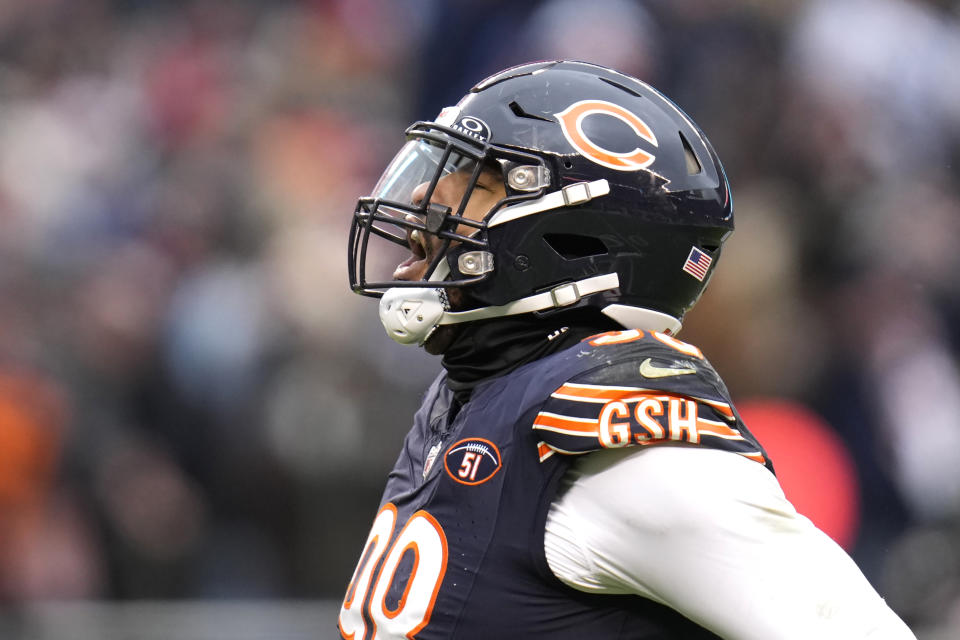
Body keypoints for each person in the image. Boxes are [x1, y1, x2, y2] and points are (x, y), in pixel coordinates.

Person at [339, 60, 916, 639]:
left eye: (479, 179)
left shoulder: (606, 429)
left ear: (575, 236)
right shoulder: (474, 392)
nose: (424, 193)